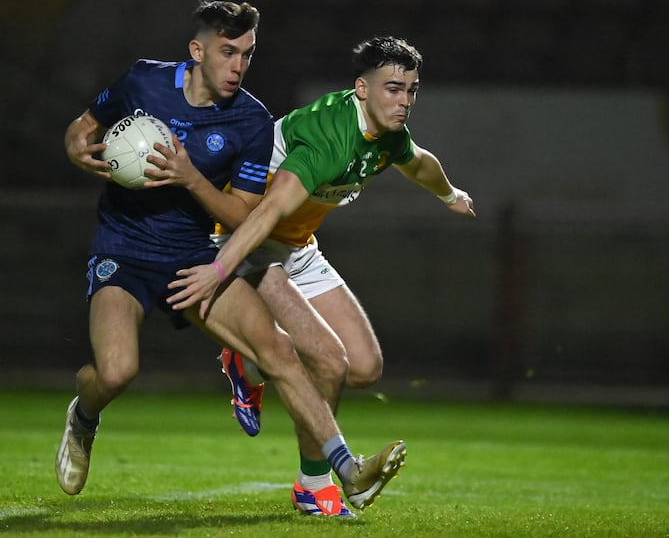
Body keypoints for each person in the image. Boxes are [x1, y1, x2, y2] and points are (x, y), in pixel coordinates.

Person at [55, 1, 407, 513]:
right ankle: (83, 418)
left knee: (282, 354)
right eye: (227, 52)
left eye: (247, 53)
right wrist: (73, 145)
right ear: (197, 51)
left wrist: (190, 178)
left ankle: (348, 471)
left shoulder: (252, 119)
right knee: (115, 373)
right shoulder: (143, 82)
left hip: (193, 257)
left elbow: (244, 215)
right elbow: (84, 124)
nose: (238, 65)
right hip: (124, 247)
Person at [167, 35, 474, 516]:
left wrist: (449, 194)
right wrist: (219, 271)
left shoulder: (387, 134)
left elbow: (419, 164)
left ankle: (245, 362)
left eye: (412, 90)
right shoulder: (328, 138)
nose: (405, 101)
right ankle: (313, 484)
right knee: (329, 363)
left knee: (364, 368)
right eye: (393, 88)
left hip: (297, 247)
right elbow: (265, 214)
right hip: (242, 235)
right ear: (361, 89)